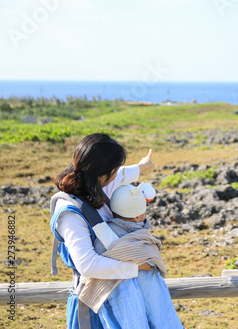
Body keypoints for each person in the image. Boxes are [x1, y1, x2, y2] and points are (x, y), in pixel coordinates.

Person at [50, 133, 157, 329]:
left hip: (121, 296)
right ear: (100, 173)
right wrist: (136, 267)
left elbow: (123, 174)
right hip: (94, 303)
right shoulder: (70, 213)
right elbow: (88, 264)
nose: (117, 175)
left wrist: (143, 166)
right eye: (113, 170)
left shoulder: (97, 186)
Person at [78, 179, 183, 328]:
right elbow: (151, 262)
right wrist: (138, 263)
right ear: (137, 217)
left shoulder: (103, 236)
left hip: (117, 294)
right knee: (161, 318)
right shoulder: (142, 236)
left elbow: (102, 256)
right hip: (146, 288)